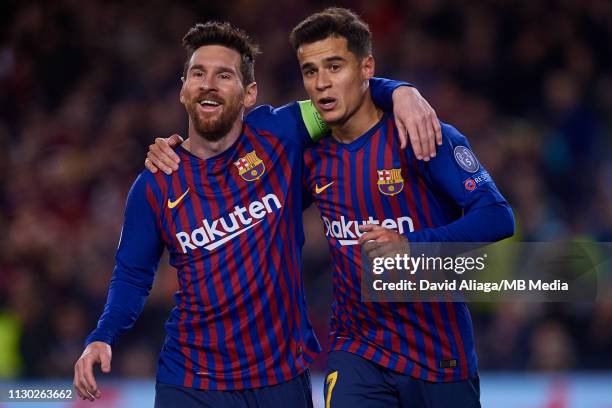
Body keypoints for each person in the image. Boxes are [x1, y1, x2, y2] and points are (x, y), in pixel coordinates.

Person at [73, 21, 440, 407]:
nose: (208, 83)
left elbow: (348, 96)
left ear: (249, 94)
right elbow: (132, 275)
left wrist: (401, 91)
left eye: (224, 75)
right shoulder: (155, 183)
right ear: (183, 89)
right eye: (198, 73)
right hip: (191, 383)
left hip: (280, 382)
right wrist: (103, 334)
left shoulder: (281, 132)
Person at [292, 8, 515, 407]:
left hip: (438, 352)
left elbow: (497, 216)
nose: (322, 83)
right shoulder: (310, 154)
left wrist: (411, 246)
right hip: (356, 350)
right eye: (310, 71)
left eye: (334, 66)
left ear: (366, 68)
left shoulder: (421, 132)